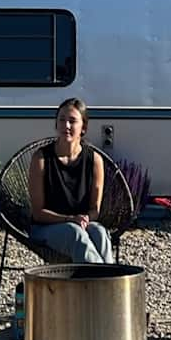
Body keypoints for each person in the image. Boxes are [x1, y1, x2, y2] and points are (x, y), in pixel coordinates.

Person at [27, 98, 114, 265]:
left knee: (100, 232)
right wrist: (69, 219)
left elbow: (95, 210)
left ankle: (105, 283)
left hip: (80, 224)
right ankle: (102, 286)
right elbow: (38, 213)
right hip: (45, 228)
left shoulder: (94, 160)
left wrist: (84, 219)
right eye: (61, 120)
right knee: (75, 233)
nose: (66, 126)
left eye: (72, 121)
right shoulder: (42, 158)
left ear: (83, 128)